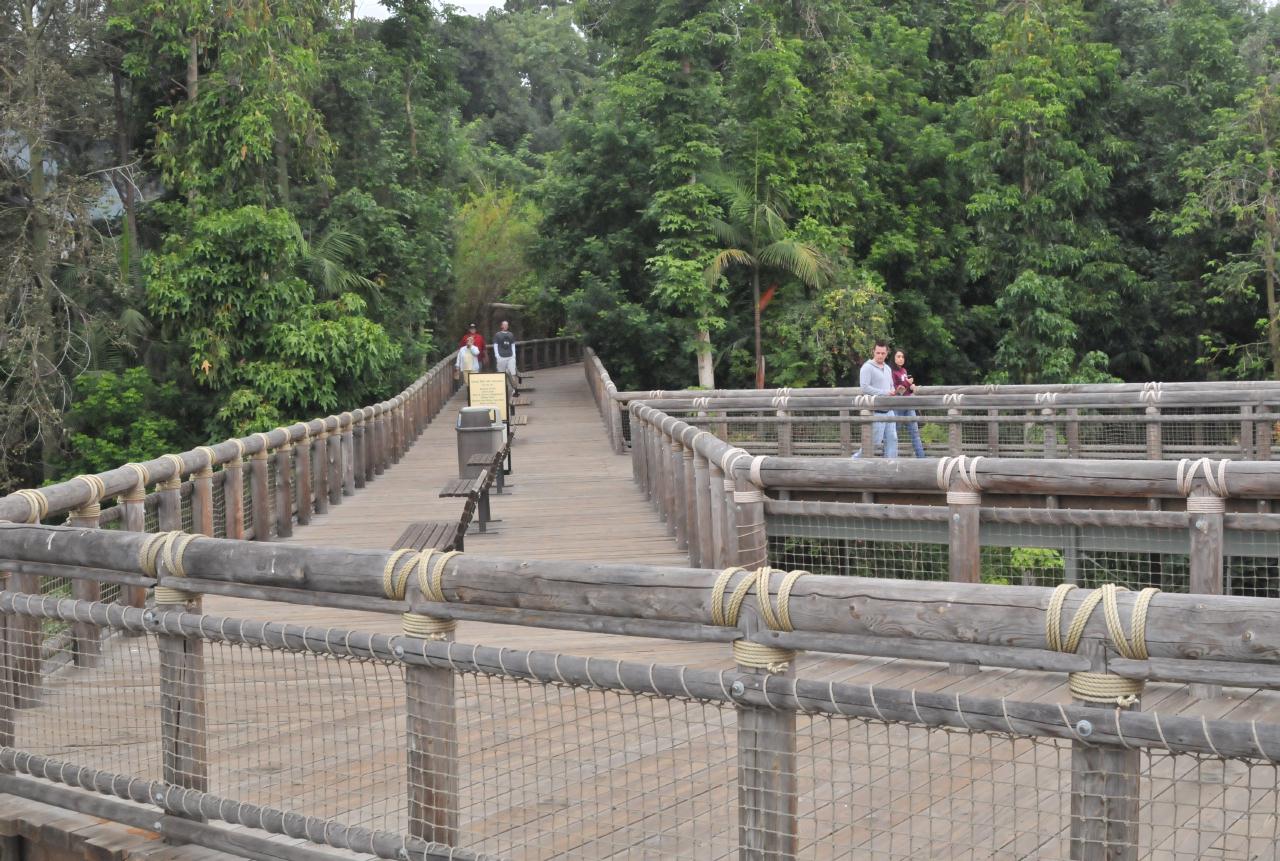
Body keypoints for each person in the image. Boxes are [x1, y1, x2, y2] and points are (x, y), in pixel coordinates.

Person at [852, 340, 898, 458]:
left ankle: (891, 467)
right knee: (874, 442)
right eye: (878, 353)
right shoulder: (867, 367)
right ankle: (854, 460)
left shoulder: (888, 368)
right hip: (876, 411)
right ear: (873, 352)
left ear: (887, 353)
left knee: (892, 439)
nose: (880, 355)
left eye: (883, 353)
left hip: (889, 410)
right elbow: (865, 388)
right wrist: (884, 393)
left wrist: (893, 391)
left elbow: (891, 385)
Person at [891, 349, 926, 458]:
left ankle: (922, 459)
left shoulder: (904, 371)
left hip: (909, 404)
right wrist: (907, 383)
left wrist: (911, 387)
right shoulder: (891, 372)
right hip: (897, 406)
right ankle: (890, 458)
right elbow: (897, 391)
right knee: (893, 434)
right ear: (894, 358)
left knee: (915, 433)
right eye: (898, 356)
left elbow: (905, 390)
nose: (901, 359)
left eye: (902, 357)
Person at [492, 320, 518, 390]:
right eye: (504, 325)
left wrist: (514, 355)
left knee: (513, 373)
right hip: (501, 356)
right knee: (501, 374)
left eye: (507, 325)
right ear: (501, 326)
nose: (506, 326)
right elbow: (495, 345)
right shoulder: (497, 335)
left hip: (510, 356)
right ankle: (502, 389)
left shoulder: (511, 334)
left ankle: (515, 389)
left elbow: (513, 345)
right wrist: (497, 355)